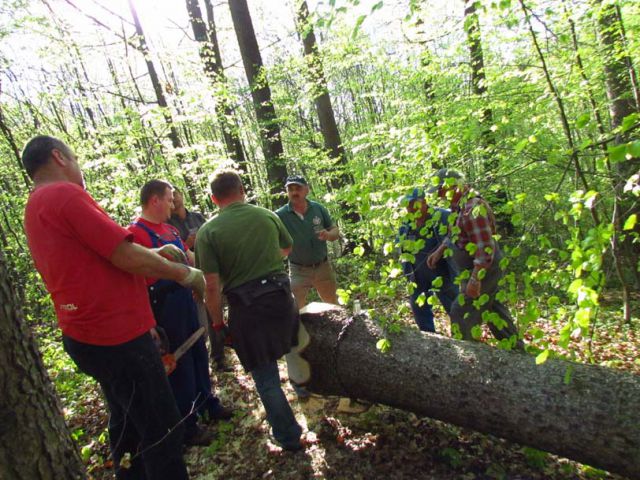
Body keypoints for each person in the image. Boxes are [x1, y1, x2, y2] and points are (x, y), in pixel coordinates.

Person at [21, 135, 204, 480]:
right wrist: (184, 272)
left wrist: (155, 255)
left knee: (127, 425)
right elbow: (123, 254)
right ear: (59, 156)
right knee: (163, 430)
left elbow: (104, 255)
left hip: (88, 336)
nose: (78, 165)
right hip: (117, 339)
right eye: (74, 156)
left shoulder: (36, 205)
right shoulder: (64, 195)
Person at [195, 169, 305, 451]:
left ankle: (288, 437)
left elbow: (211, 286)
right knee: (294, 349)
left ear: (213, 198)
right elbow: (286, 249)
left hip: (248, 309)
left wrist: (218, 326)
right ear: (242, 190)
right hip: (281, 299)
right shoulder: (267, 215)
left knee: (266, 377)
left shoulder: (209, 231)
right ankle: (307, 394)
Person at [128, 180, 232, 447]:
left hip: (186, 300)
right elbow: (134, 280)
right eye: (169, 199)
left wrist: (201, 281)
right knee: (179, 364)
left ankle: (208, 404)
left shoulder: (171, 230)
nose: (173, 204)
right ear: (154, 200)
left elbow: (188, 257)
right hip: (164, 308)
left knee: (198, 354)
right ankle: (187, 425)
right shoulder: (135, 234)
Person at [426, 169, 522, 348]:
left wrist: (476, 278)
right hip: (475, 268)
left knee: (461, 313)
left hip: (483, 268)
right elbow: (456, 234)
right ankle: (517, 350)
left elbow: (485, 248)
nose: (439, 195)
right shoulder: (459, 207)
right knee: (492, 308)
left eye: (441, 190)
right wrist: (439, 251)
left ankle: (467, 356)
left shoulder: (472, 209)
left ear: (453, 186)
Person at [168, 188, 229, 372]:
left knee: (213, 313)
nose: (175, 200)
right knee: (197, 320)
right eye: (171, 198)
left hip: (208, 272)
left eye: (176, 195)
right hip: (186, 278)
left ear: (182, 195)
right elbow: (172, 254)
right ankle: (198, 361)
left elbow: (212, 238)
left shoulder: (196, 217)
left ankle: (218, 357)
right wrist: (188, 243)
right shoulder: (168, 224)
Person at [274, 175, 339, 309]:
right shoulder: (280, 215)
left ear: (306, 190)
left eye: (298, 188)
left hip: (322, 267)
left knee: (333, 305)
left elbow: (335, 231)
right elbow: (272, 241)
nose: (294, 192)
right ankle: (297, 330)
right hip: (298, 270)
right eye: (290, 189)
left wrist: (328, 235)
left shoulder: (318, 209)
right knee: (293, 309)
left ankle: (339, 329)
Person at [398, 187, 458, 333]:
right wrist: (406, 272)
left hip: (443, 272)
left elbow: (457, 236)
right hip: (417, 274)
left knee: (455, 308)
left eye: (414, 204)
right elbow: (401, 248)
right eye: (408, 205)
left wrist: (440, 250)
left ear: (424, 202)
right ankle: (429, 340)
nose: (411, 208)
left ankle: (464, 339)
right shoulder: (406, 224)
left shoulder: (443, 216)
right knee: (419, 308)